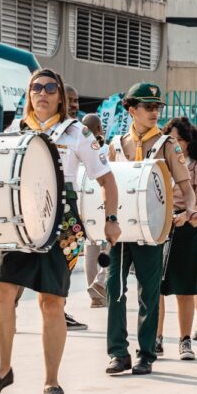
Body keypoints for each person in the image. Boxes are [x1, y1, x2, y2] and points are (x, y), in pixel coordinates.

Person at [0, 68, 120, 394]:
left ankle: (51, 381)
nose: (42, 92)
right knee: (1, 291)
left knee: (51, 302)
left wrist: (111, 218)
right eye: (35, 87)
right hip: (21, 217)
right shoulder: (16, 129)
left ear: (59, 96)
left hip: (61, 220)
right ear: (28, 94)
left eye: (49, 87)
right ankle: (3, 369)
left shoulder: (77, 132)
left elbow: (107, 179)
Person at [105, 82, 197, 376]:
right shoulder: (116, 145)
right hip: (120, 229)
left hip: (153, 228)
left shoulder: (166, 145)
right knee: (115, 290)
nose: (154, 112)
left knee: (149, 291)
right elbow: (105, 185)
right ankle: (118, 353)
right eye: (148, 107)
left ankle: (146, 353)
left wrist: (190, 208)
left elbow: (186, 186)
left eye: (157, 107)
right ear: (132, 110)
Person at [157, 118, 197, 360]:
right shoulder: (157, 164)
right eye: (170, 139)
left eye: (179, 139)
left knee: (185, 290)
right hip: (158, 229)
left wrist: (187, 215)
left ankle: (185, 340)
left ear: (189, 142)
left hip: (186, 230)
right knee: (154, 289)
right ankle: (155, 338)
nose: (175, 144)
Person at [81, 114, 110, 308]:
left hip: (85, 203)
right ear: (100, 129)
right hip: (104, 201)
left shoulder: (79, 148)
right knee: (109, 246)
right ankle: (100, 283)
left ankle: (95, 295)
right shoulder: (108, 149)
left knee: (90, 247)